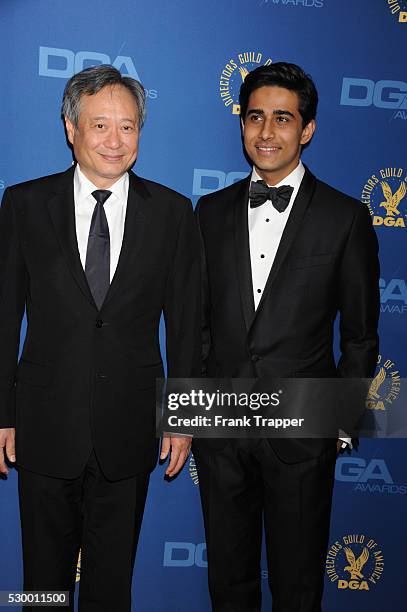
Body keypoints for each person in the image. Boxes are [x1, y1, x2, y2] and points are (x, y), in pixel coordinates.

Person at [0, 64, 200, 611]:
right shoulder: (23, 204)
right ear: (71, 128)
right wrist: (3, 412)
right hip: (43, 423)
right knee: (42, 584)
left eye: (128, 127)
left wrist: (182, 417)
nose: (115, 141)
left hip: (129, 426)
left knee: (112, 586)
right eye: (100, 125)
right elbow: (3, 315)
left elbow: (186, 324)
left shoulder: (174, 213)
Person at [193, 62, 380, 612]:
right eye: (255, 118)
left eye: (282, 118)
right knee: (228, 583)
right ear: (242, 124)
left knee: (298, 588)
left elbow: (361, 334)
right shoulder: (210, 210)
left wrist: (339, 423)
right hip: (222, 427)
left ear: (308, 129)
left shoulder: (346, 218)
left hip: (303, 430)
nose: (267, 132)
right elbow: (197, 322)